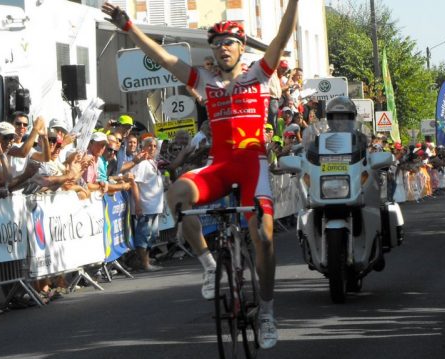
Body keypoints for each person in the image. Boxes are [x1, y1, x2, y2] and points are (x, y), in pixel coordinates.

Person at [102, 0, 299, 348]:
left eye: (229, 43)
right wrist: (129, 27)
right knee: (176, 195)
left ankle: (267, 311)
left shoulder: (260, 73)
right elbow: (164, 58)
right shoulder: (204, 81)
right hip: (220, 165)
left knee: (265, 237)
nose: (223, 48)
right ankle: (209, 265)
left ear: (241, 48)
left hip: (254, 164)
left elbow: (282, 35)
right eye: (217, 43)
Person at [130, 135, 164, 272]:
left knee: (152, 235)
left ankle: (146, 260)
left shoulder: (152, 162)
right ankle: (145, 264)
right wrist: (138, 204)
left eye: (155, 146)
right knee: (143, 236)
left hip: (155, 206)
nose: (152, 148)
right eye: (149, 145)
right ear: (143, 147)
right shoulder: (142, 164)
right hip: (146, 206)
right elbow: (135, 184)